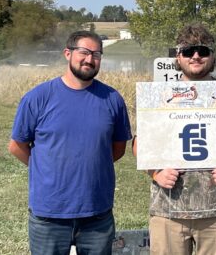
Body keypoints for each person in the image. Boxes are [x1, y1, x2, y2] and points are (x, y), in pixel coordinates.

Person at [133, 23, 216, 255]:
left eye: (203, 51)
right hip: (167, 211)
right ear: (178, 56)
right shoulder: (158, 95)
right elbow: (139, 143)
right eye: (188, 51)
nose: (196, 56)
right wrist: (155, 172)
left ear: (213, 56)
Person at [8, 30, 132, 255]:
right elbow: (17, 146)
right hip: (49, 215)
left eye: (96, 54)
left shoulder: (112, 99)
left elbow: (117, 149)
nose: (89, 59)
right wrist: (47, 168)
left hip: (97, 214)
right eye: (83, 52)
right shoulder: (38, 97)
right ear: (68, 53)